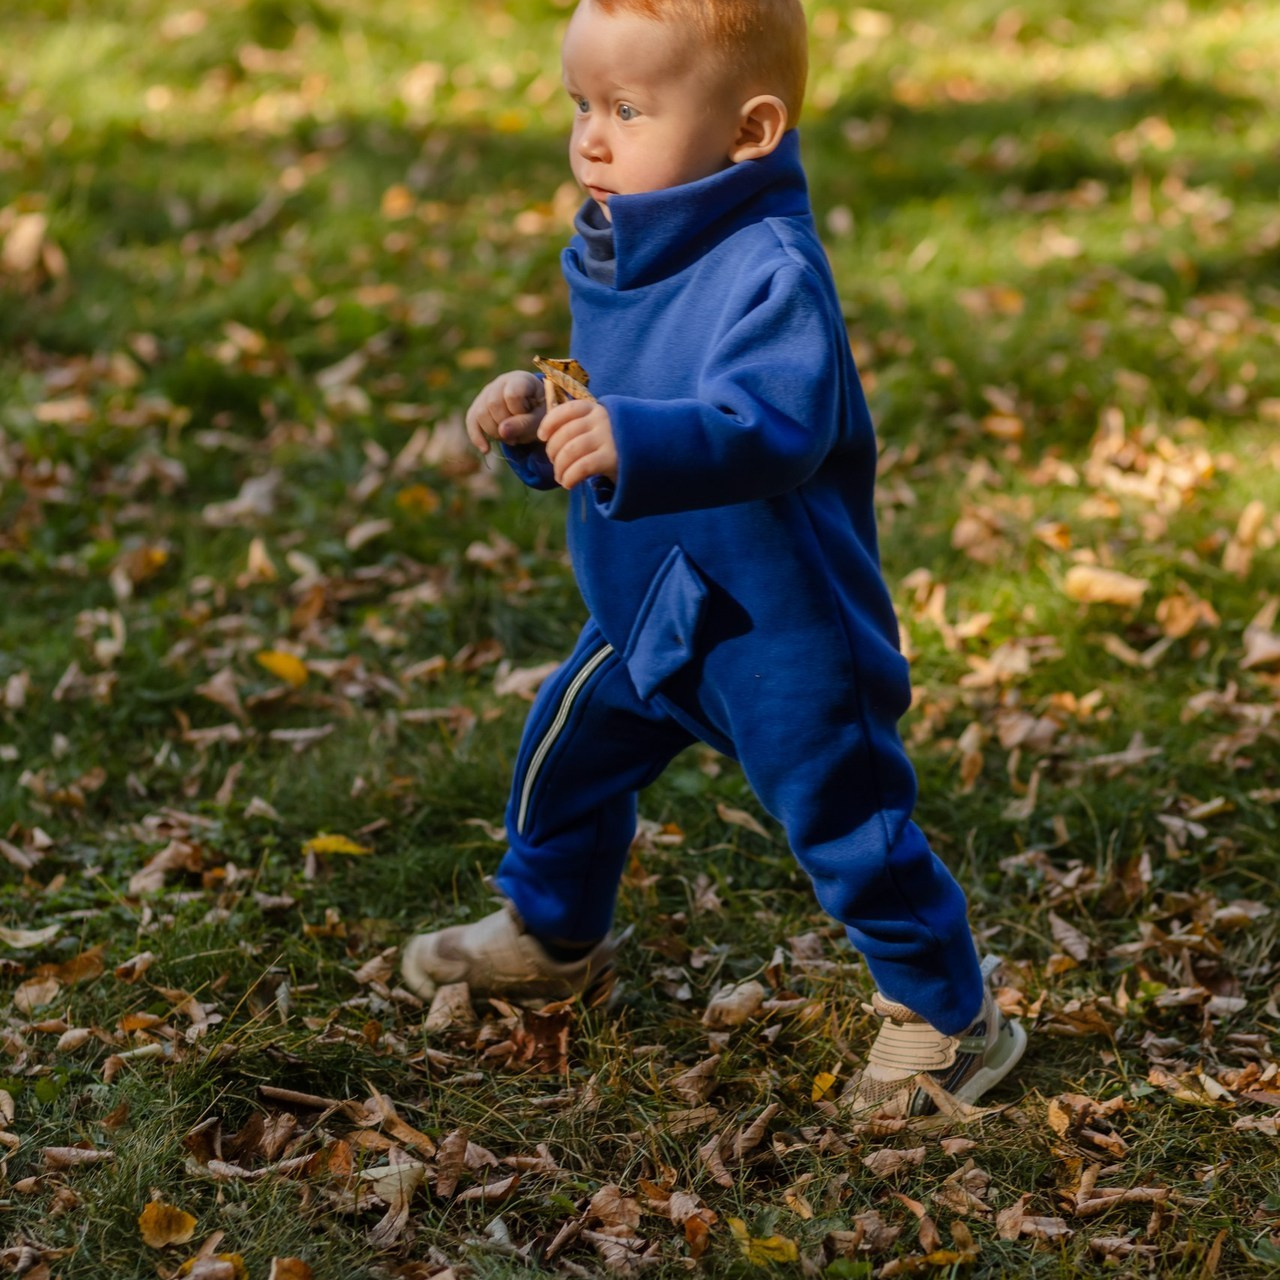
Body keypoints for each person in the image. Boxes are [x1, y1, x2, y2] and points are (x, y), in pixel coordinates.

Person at [402, 0, 1026, 1117]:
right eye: (579, 104)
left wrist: (631, 438)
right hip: (649, 603)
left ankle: (950, 1016)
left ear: (749, 131)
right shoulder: (626, 236)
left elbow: (772, 423)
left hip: (773, 625)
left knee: (848, 826)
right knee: (561, 761)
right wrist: (542, 419)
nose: (590, 137)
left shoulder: (768, 266)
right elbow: (617, 403)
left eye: (627, 108)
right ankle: (553, 933)